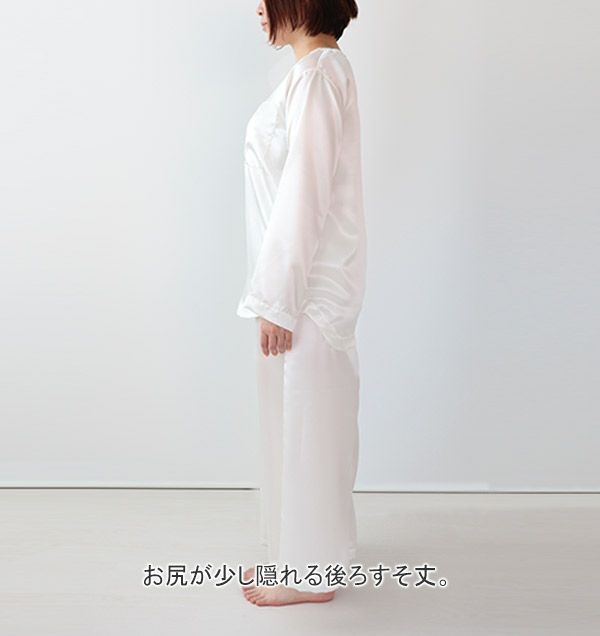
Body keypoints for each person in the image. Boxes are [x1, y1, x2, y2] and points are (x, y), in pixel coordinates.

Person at [237, 0, 366, 606]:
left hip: (308, 289)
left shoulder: (317, 76)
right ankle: (305, 555)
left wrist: (280, 299)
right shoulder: (313, 73)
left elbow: (305, 193)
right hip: (302, 284)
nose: (258, 10)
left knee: (309, 420)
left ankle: (311, 575)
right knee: (304, 420)